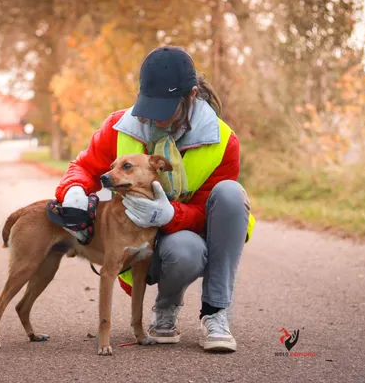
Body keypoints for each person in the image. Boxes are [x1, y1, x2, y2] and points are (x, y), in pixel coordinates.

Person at [55, 45, 254, 352]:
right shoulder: (120, 125)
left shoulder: (222, 141)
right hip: (134, 246)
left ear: (190, 96)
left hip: (184, 242)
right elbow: (81, 167)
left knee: (228, 197)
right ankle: (165, 309)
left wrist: (169, 215)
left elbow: (208, 215)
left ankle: (214, 312)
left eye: (165, 109)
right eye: (149, 106)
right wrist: (75, 192)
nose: (155, 119)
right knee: (176, 249)